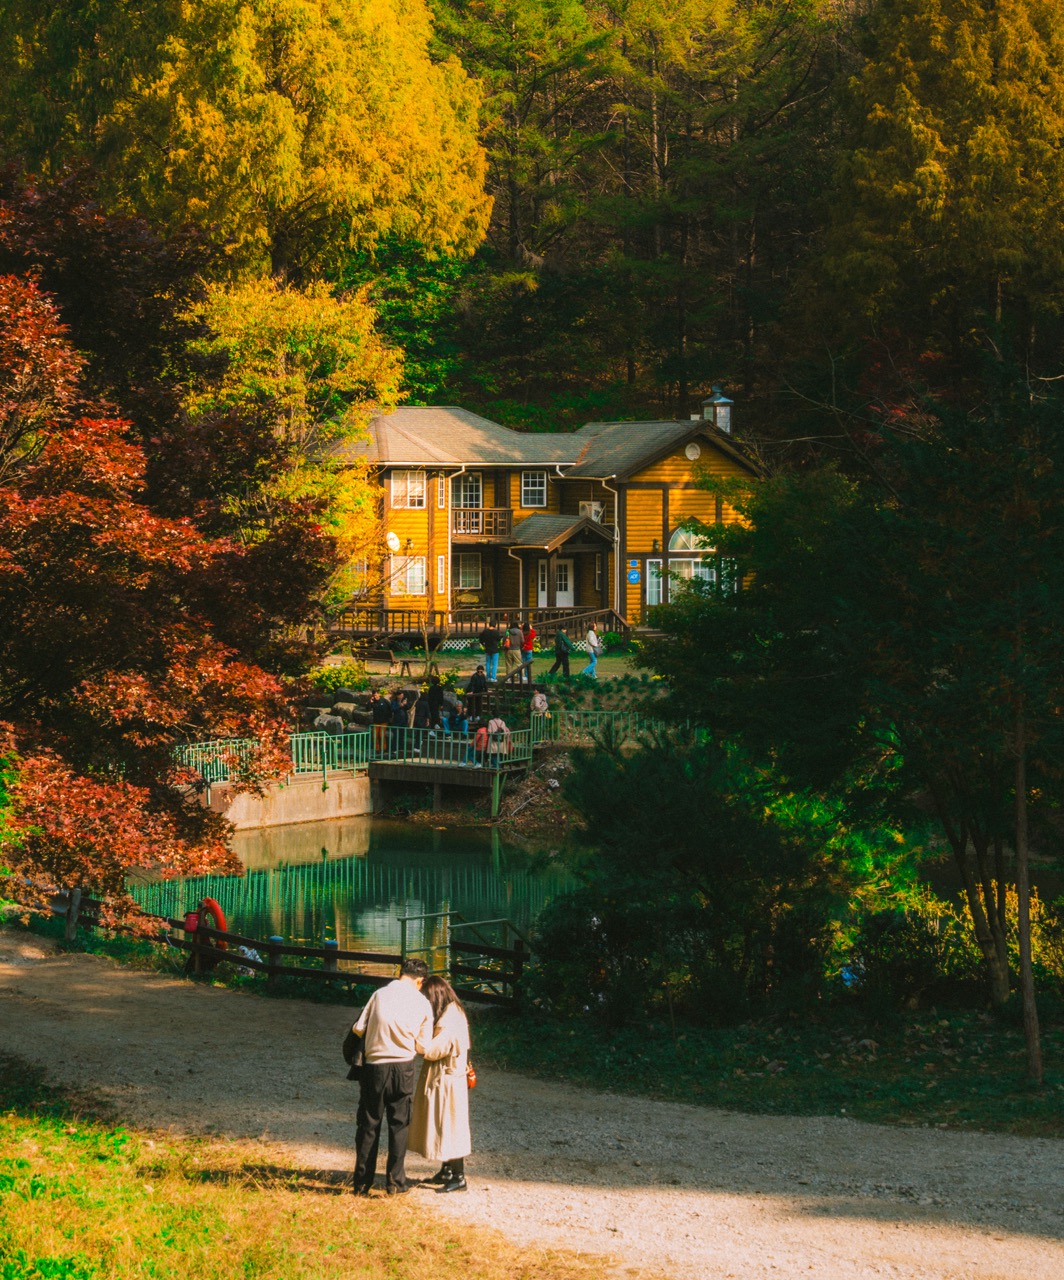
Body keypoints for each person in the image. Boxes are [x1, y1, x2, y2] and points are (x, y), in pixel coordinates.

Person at [350, 957, 433, 1196]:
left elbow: (358, 1028)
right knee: (399, 1125)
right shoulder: (422, 1003)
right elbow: (422, 1047)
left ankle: (362, 1183)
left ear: (400, 974)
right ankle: (395, 1183)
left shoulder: (379, 995)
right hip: (403, 1067)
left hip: (375, 1065)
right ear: (420, 981)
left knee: (368, 1123)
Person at [409, 975, 472, 1192]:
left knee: (451, 1126)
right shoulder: (452, 1012)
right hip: (446, 1078)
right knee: (444, 1125)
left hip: (447, 1080)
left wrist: (416, 1039)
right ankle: (447, 1170)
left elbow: (432, 1050)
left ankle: (459, 1176)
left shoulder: (451, 1019)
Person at [370, 690, 391, 755]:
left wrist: (389, 718)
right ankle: (377, 749)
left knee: (382, 735)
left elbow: (390, 709)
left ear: (378, 694)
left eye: (376, 695)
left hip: (383, 721)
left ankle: (383, 749)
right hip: (376, 722)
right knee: (375, 736)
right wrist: (370, 702)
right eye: (373, 695)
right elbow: (367, 708)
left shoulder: (384, 701)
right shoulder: (373, 702)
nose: (375, 697)